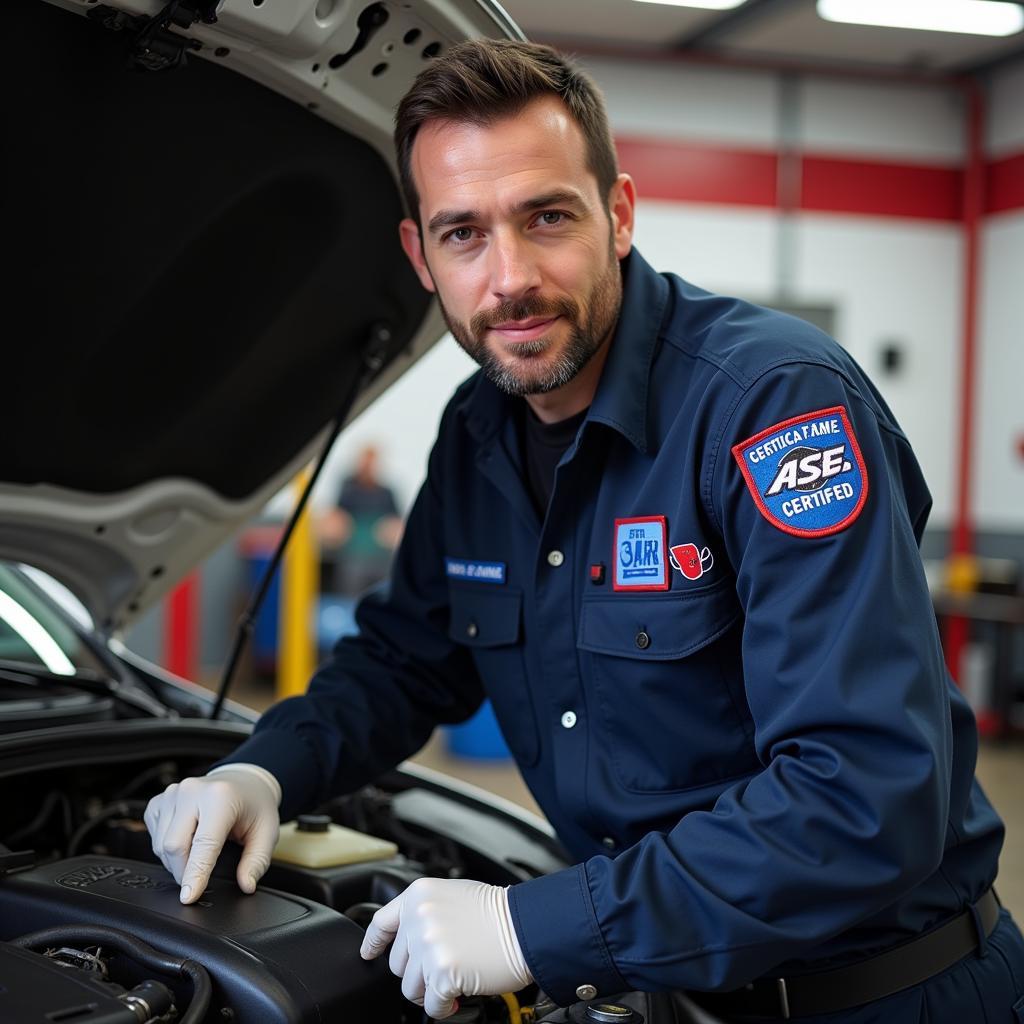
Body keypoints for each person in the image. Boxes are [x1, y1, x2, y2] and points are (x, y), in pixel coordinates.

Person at [144, 40, 1024, 1023]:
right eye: (463, 234)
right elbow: (404, 659)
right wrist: (266, 766)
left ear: (619, 214)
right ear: (419, 257)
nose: (508, 276)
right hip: (665, 988)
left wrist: (537, 928)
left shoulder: (772, 408)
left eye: (546, 217)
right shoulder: (476, 435)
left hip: (892, 996)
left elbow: (862, 797)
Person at [319, 444, 402, 596]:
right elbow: (336, 518)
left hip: (381, 554)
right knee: (351, 581)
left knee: (384, 585)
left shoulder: (386, 493)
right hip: (352, 553)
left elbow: (396, 522)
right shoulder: (348, 488)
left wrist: (390, 531)